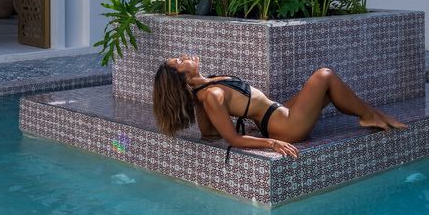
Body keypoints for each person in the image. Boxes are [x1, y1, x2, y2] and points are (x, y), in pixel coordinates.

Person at [151, 55, 406, 158]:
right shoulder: (211, 95)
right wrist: (271, 143)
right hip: (285, 127)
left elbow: (209, 132)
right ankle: (370, 116)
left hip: (278, 113)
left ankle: (370, 115)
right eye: (180, 61)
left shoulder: (207, 87)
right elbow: (231, 138)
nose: (185, 56)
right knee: (324, 75)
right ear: (182, 77)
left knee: (331, 91)